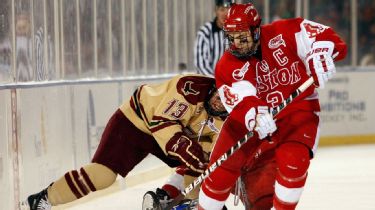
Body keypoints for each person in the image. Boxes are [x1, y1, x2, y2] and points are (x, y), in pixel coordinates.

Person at [198, 3, 347, 210]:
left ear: (256, 30)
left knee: (294, 162)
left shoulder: (285, 31)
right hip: (251, 119)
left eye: (243, 37)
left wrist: (321, 52)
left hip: (296, 109)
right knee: (220, 172)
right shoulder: (226, 64)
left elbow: (326, 37)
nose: (237, 44)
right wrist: (255, 114)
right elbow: (243, 99)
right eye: (231, 38)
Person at [22, 74, 228, 210]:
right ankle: (43, 199)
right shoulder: (191, 87)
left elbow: (212, 154)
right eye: (218, 94)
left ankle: (182, 200)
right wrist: (186, 148)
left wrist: (203, 166)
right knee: (102, 176)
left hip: (171, 135)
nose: (218, 101)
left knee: (201, 162)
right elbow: (162, 122)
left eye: (225, 101)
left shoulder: (228, 119)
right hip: (135, 121)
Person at [194, 0, 233, 77]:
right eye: (222, 9)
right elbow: (201, 65)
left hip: (233, 82)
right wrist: (217, 82)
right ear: (216, 11)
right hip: (211, 82)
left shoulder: (237, 31)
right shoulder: (205, 32)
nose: (225, 14)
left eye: (229, 10)